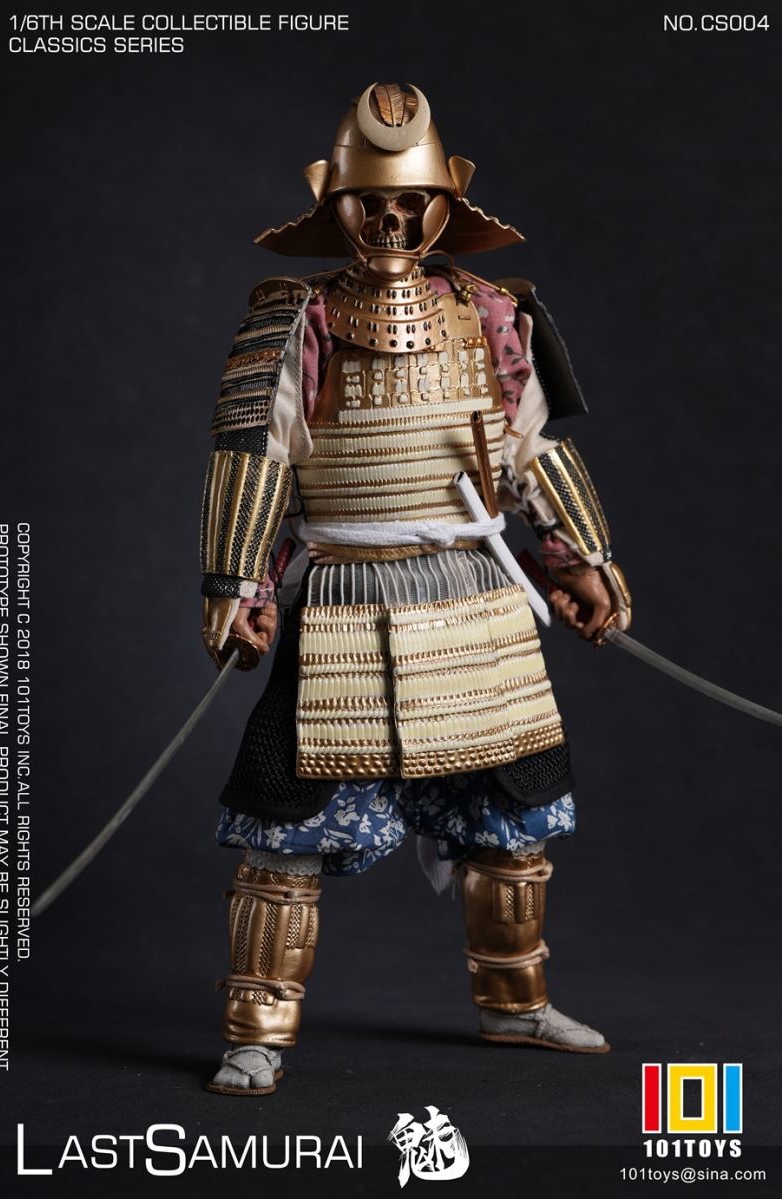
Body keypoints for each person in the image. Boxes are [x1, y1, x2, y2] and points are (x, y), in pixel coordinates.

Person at [198, 83, 631, 1096]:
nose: (391, 224)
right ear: (334, 201)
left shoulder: (492, 314)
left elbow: (527, 450)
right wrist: (236, 579)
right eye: (372, 203)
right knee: (283, 822)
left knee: (513, 815)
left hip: (476, 598)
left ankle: (513, 1003)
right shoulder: (296, 320)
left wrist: (579, 554)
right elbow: (256, 457)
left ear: (447, 204)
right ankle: (258, 1027)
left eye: (412, 203)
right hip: (343, 601)